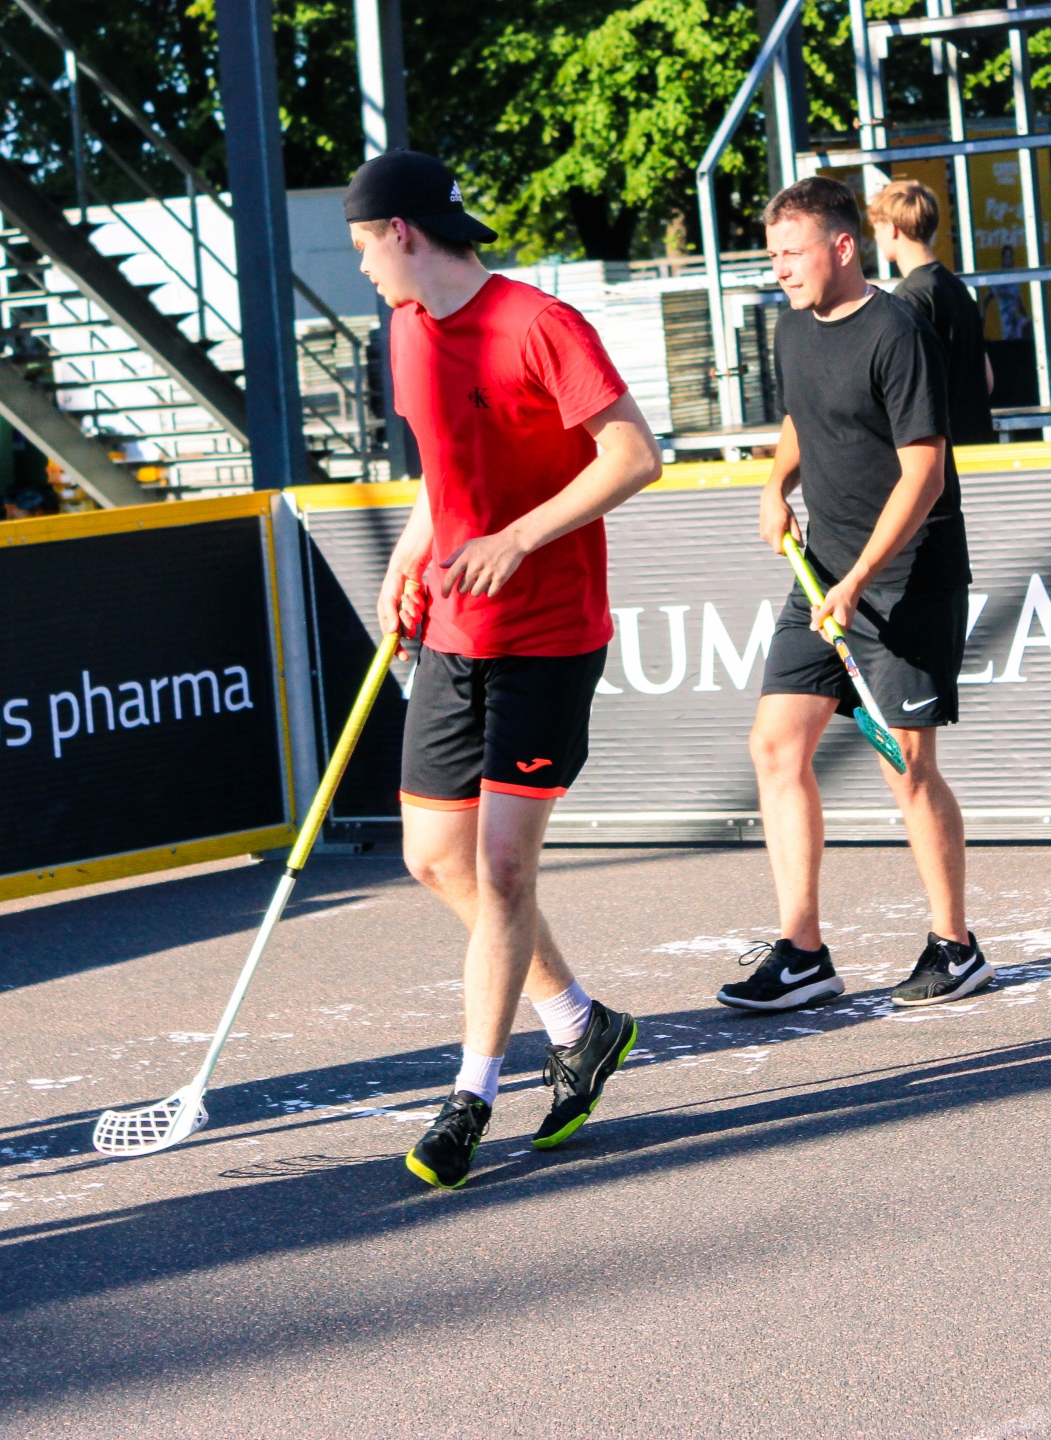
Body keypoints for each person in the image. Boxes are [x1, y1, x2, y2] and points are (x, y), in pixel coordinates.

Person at [346, 149, 664, 1190]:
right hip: (453, 628)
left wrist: (521, 537)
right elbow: (445, 472)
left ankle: (470, 1098)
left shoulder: (540, 325)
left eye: (363, 247)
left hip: (548, 634)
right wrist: (408, 557)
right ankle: (579, 1020)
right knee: (435, 859)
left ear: (402, 233)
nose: (363, 269)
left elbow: (635, 455)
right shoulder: (407, 331)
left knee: (503, 869)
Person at [717, 176, 993, 1015]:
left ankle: (956, 946)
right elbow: (802, 419)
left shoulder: (899, 330)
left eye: (791, 253)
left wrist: (860, 578)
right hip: (822, 576)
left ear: (842, 246)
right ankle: (803, 954)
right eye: (772, 255)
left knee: (905, 768)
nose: (780, 269)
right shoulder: (792, 328)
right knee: (775, 746)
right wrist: (775, 486)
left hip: (905, 582)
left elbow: (924, 472)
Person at [868, 178, 996, 447]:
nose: (875, 237)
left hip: (939, 452)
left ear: (892, 228)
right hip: (977, 444)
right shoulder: (958, 289)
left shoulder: (909, 299)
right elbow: (986, 380)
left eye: (876, 227)